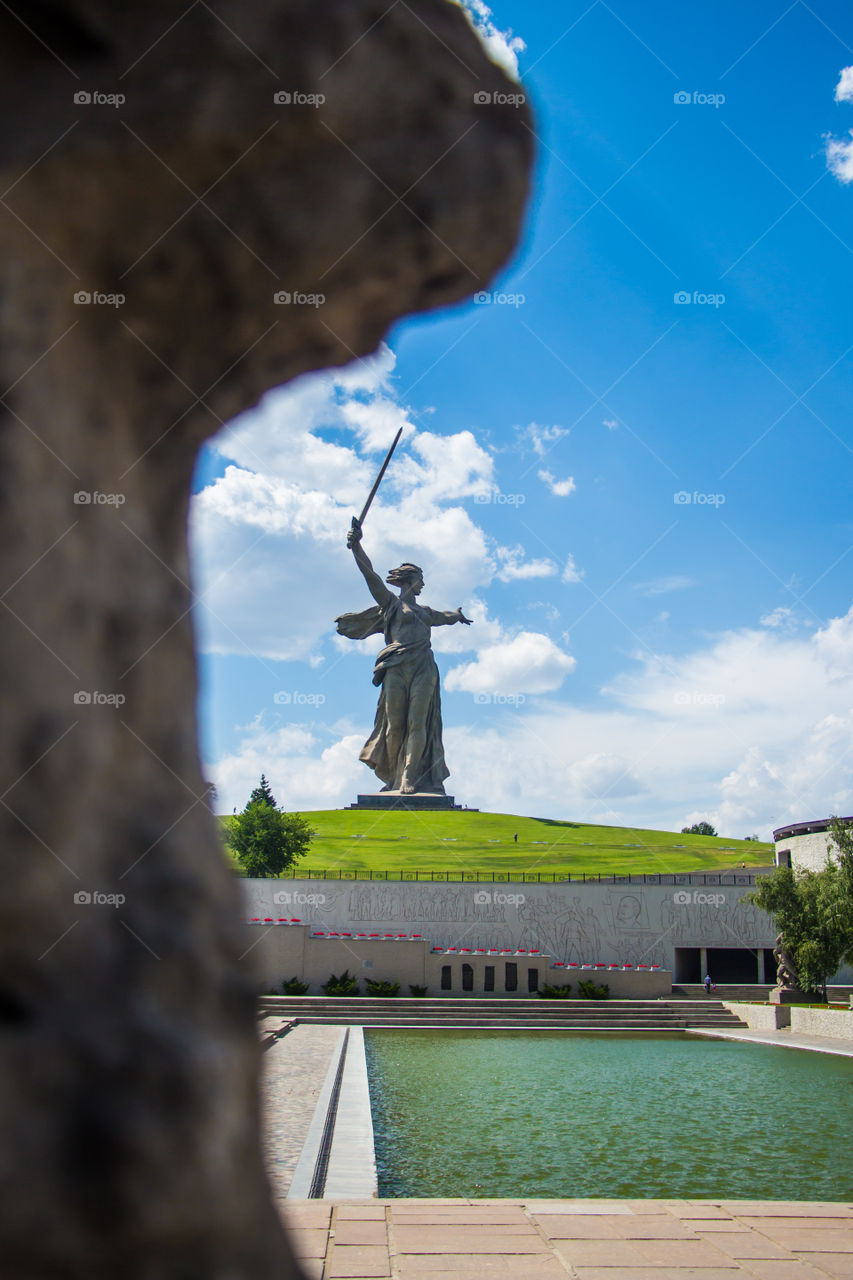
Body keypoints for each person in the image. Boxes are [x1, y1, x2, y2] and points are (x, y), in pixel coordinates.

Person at [335, 521, 471, 794]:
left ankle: (409, 778)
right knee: (394, 726)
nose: (423, 584)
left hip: (423, 667)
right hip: (397, 666)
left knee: (417, 723)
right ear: (410, 580)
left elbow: (446, 617)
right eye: (421, 579)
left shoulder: (426, 612)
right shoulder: (391, 604)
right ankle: (394, 777)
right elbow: (370, 576)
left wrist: (457, 615)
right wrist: (357, 546)